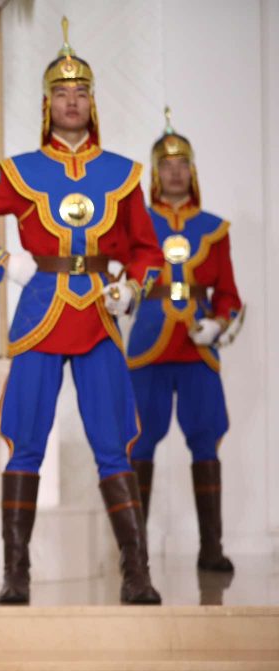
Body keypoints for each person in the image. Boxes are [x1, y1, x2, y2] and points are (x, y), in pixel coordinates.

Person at [0, 17, 164, 604]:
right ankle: (16, 573)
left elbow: (147, 250)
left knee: (114, 443)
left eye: (81, 91)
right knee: (26, 441)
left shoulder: (123, 174)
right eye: (62, 92)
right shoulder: (21, 170)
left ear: (93, 101)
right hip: (41, 310)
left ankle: (136, 572)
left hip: (100, 316)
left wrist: (133, 289)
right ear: (47, 103)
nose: (72, 101)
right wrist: (3, 264)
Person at [127, 109, 243, 573]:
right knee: (139, 444)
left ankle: (211, 548)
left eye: (182, 164)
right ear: (156, 174)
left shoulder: (214, 229)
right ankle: (136, 556)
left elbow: (228, 295)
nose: (174, 172)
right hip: (149, 347)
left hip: (198, 351)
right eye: (166, 165)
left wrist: (218, 324)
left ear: (192, 171)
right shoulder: (137, 223)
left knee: (206, 441)